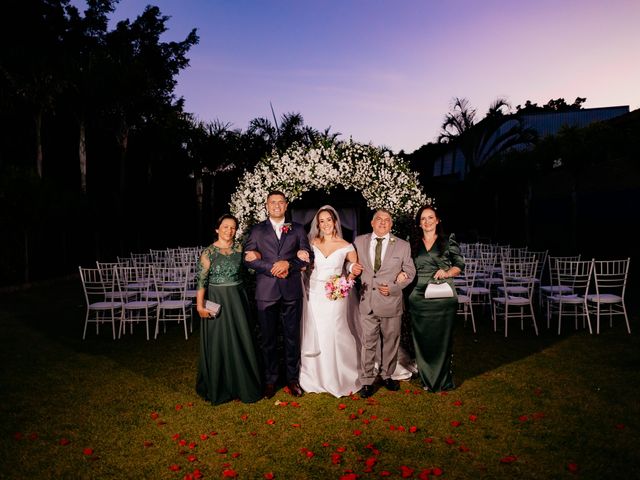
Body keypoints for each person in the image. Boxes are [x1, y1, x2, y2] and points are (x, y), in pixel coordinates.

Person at [244, 191, 312, 398]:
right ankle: (271, 380)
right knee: (268, 338)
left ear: (286, 205)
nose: (276, 205)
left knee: (292, 337)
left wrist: (289, 264)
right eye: (272, 202)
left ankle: (292, 379)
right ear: (267, 205)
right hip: (266, 292)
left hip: (291, 290)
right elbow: (247, 257)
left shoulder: (298, 229)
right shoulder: (257, 230)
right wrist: (271, 266)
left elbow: (307, 256)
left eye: (280, 202)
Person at [195, 214, 262, 405]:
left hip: (238, 300)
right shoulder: (208, 253)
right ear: (217, 229)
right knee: (219, 342)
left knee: (242, 339)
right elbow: (201, 281)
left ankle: (244, 385)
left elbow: (251, 270)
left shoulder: (241, 249)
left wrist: (257, 256)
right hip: (217, 300)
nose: (229, 231)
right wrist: (200, 306)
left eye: (233, 227)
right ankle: (221, 386)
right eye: (225, 227)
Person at [351, 209, 416, 398]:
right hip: (367, 302)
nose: (382, 222)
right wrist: (351, 268)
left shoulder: (403, 246)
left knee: (390, 342)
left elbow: (409, 272)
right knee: (368, 343)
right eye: (378, 219)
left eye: (387, 220)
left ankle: (387, 375)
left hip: (391, 302)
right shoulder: (359, 242)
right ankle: (367, 381)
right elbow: (350, 263)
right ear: (372, 223)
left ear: (391, 224)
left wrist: (396, 287)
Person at [299, 205, 362, 397]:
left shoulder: (346, 245)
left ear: (335, 222)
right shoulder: (310, 243)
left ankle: (341, 375)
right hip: (313, 293)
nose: (325, 224)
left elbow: (353, 267)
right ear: (318, 225)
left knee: (335, 331)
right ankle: (313, 377)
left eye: (329, 220)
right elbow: (305, 265)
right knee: (314, 330)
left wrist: (346, 282)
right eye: (322, 221)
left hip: (335, 295)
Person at [407, 205, 464, 392]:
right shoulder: (412, 242)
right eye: (423, 219)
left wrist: (447, 272)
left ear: (437, 220)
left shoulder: (448, 241)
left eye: (430, 217)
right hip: (419, 295)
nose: (427, 222)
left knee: (442, 339)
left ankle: (443, 379)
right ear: (419, 223)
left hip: (443, 295)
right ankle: (427, 379)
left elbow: (459, 265)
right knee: (422, 339)